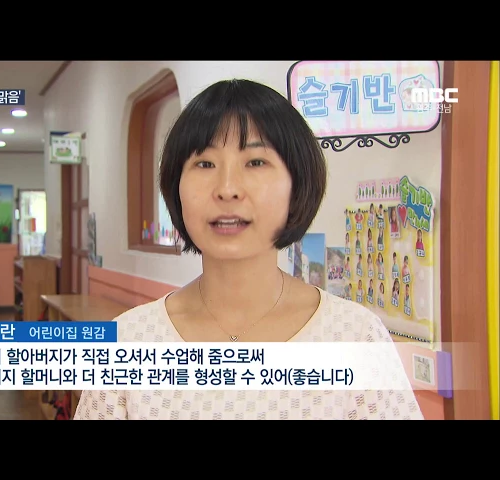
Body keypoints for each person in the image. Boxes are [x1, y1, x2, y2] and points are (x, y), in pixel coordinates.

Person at [73, 78, 423, 420]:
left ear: (297, 184)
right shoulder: (128, 341)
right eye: (204, 164)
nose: (227, 189)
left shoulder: (355, 336)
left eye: (256, 162)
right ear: (176, 187)